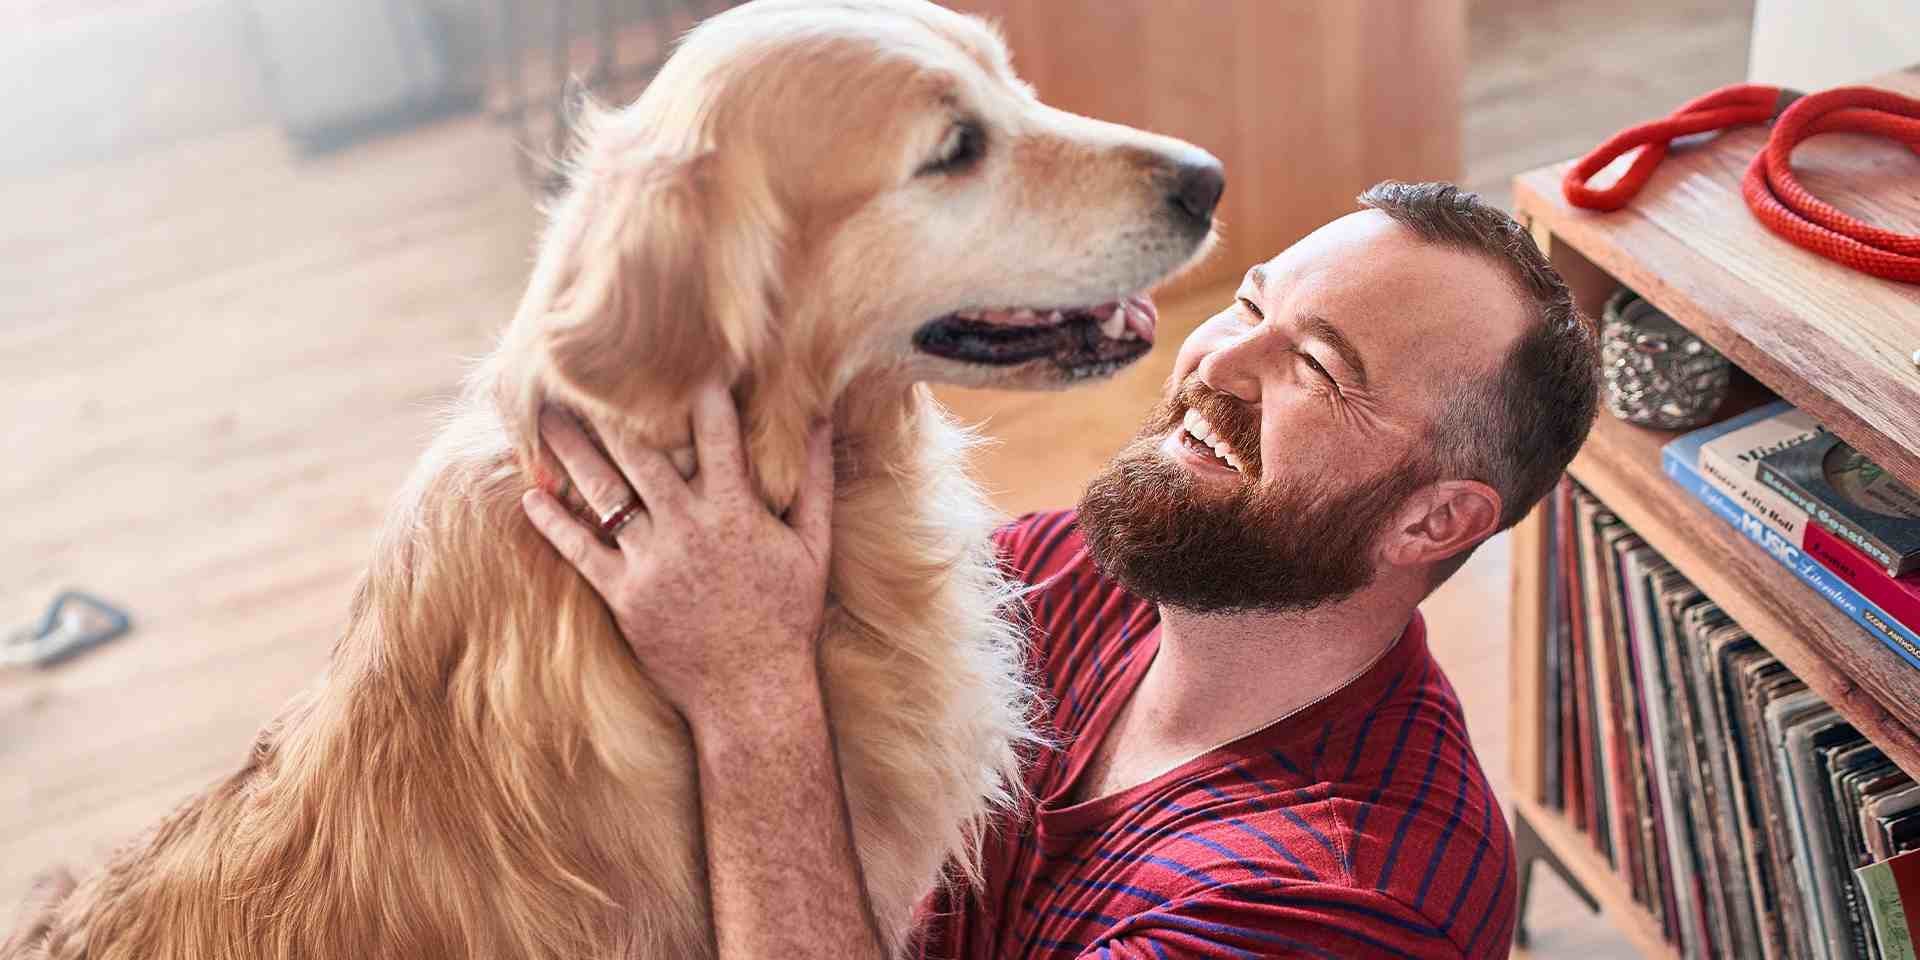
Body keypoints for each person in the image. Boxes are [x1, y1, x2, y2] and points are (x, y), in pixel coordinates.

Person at [519, 181, 1602, 959]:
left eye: (1317, 368)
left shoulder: (1342, 902)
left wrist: (750, 698)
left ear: (1433, 520)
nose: (1216, 362)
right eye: (1250, 305)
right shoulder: (1086, 576)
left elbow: (761, 672)